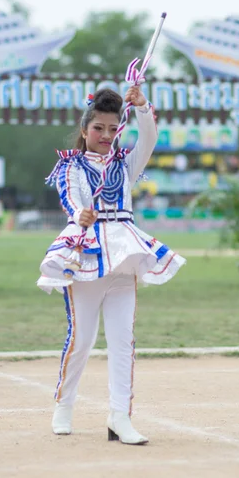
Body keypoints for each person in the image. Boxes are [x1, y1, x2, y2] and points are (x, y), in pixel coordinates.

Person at [37, 86, 185, 445]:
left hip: (124, 254)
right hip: (85, 254)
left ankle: (120, 416)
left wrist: (142, 107)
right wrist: (80, 213)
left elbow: (148, 138)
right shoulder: (69, 166)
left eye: (112, 128)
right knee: (82, 338)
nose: (105, 135)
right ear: (86, 130)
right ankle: (64, 405)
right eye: (98, 128)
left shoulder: (126, 165)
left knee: (123, 341)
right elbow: (71, 198)